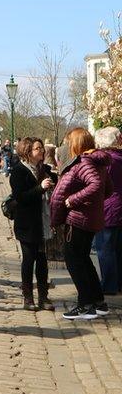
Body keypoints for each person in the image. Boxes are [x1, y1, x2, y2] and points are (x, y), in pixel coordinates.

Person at [50, 127, 114, 320]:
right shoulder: (96, 161)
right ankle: (97, 302)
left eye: (69, 142)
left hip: (78, 219)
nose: (67, 145)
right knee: (83, 260)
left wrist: (73, 200)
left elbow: (96, 185)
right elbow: (107, 189)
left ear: (76, 143)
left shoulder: (85, 161)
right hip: (87, 217)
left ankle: (85, 304)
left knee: (75, 261)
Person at [9, 137, 56, 310]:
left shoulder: (45, 170)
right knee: (29, 259)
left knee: (43, 260)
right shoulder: (19, 171)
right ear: (27, 152)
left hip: (43, 221)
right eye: (37, 149)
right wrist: (40, 188)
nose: (42, 152)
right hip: (27, 223)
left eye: (42, 149)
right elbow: (20, 197)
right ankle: (28, 297)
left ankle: (44, 296)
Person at [93, 127, 122, 296]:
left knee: (105, 248)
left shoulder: (107, 161)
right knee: (118, 248)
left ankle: (109, 285)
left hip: (108, 208)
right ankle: (118, 283)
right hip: (117, 207)